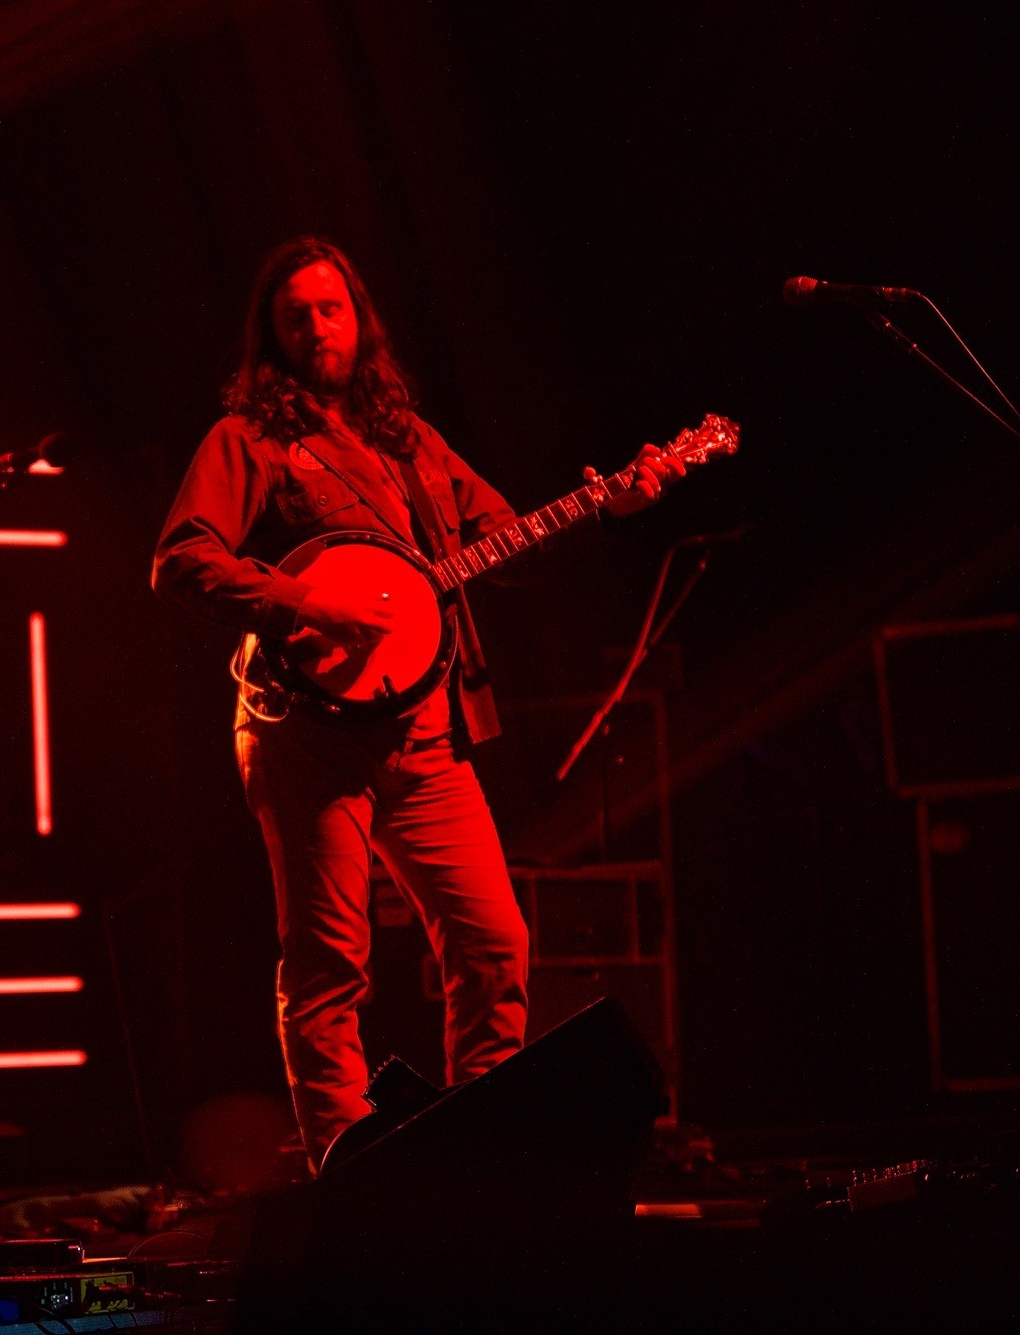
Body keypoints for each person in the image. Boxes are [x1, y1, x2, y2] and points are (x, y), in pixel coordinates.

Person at [151, 236, 680, 1172]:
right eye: (295, 316)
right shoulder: (251, 441)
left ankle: (482, 1154)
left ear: (360, 320)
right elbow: (182, 560)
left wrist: (611, 507)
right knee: (329, 964)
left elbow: (513, 542)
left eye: (331, 308)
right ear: (269, 338)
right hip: (306, 734)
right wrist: (304, 600)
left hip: (427, 731)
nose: (317, 327)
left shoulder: (412, 445)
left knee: (493, 940)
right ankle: (348, 1173)